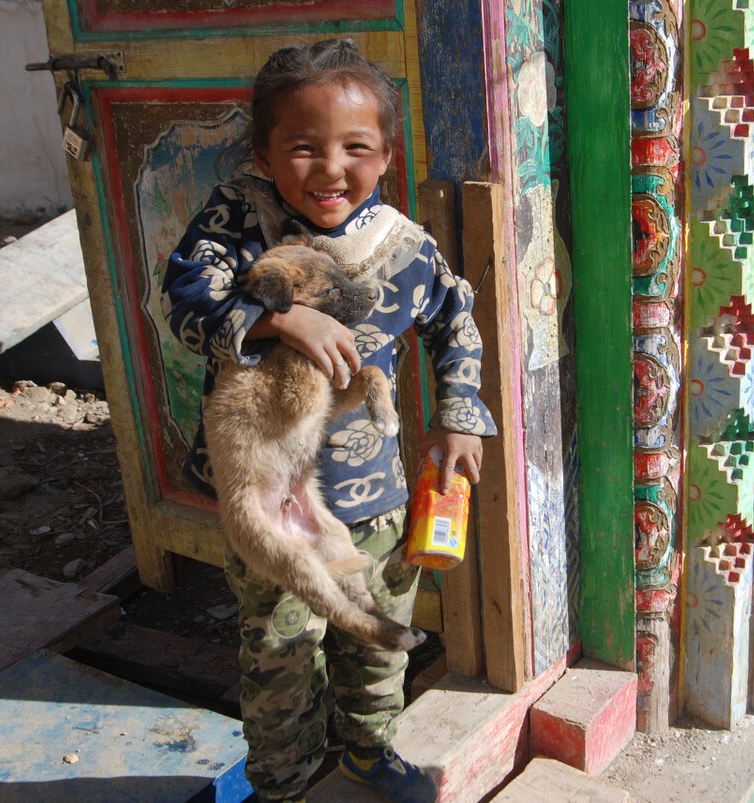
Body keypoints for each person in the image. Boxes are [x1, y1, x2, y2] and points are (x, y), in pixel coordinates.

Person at [162, 38, 495, 803]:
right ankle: (281, 784)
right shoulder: (238, 221)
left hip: (373, 496)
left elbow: (455, 324)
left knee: (376, 638)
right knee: (281, 649)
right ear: (264, 150)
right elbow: (184, 301)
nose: (330, 169)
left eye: (355, 147)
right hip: (269, 507)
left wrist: (458, 418)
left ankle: (369, 753)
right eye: (303, 147)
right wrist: (277, 320)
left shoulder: (405, 247)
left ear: (385, 154)